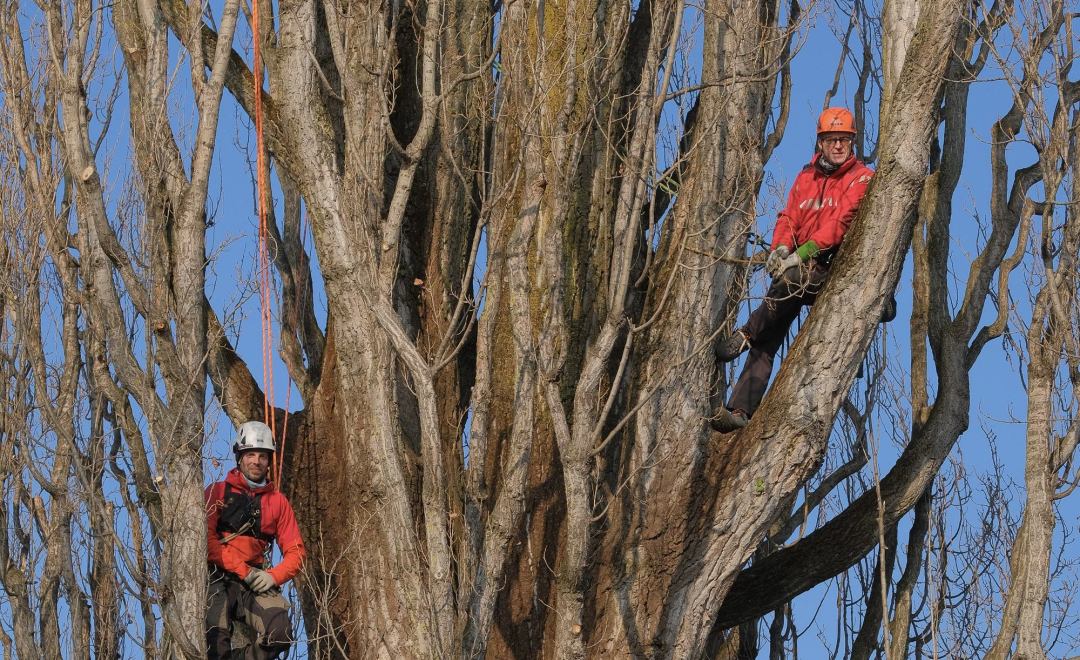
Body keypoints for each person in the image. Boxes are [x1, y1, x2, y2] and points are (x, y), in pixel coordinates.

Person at [711, 107, 875, 433]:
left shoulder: (861, 178)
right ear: (821, 143)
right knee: (770, 332)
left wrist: (800, 256)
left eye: (844, 140)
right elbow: (789, 217)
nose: (838, 145)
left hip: (829, 270)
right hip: (797, 267)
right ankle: (740, 410)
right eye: (832, 139)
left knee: (788, 284)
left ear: (852, 142)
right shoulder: (806, 178)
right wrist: (781, 248)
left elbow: (839, 225)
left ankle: (746, 333)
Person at [205, 420, 306, 658]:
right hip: (217, 578)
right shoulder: (217, 492)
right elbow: (207, 542)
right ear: (239, 457)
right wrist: (244, 571)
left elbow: (297, 552)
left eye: (262, 456)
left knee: (281, 633)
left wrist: (273, 576)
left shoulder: (277, 502)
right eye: (250, 454)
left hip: (254, 582)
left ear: (269, 461)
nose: (256, 461)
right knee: (214, 645)